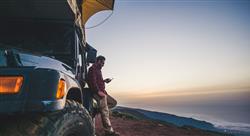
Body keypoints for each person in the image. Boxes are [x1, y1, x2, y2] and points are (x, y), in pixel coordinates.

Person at [87, 55, 119, 136]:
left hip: (103, 92)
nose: (103, 64)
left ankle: (97, 110)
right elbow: (92, 82)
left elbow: (98, 81)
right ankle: (109, 132)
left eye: (104, 63)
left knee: (113, 103)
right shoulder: (92, 69)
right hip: (98, 92)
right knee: (105, 111)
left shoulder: (99, 70)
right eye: (102, 62)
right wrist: (98, 92)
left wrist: (104, 81)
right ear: (97, 61)